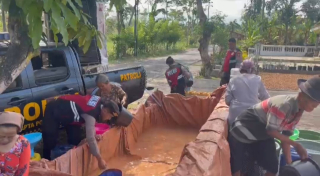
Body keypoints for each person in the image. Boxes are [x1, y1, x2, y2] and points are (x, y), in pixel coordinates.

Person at [229, 75, 320, 176]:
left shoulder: (298, 111)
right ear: (301, 96)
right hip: (243, 130)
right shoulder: (283, 105)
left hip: (261, 134)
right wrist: (297, 145)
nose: (313, 109)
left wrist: (290, 165)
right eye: (313, 105)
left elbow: (285, 138)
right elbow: (271, 131)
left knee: (272, 167)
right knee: (237, 167)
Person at [42, 94, 121, 170]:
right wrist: (99, 159)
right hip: (54, 110)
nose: (109, 119)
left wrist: (94, 134)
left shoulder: (100, 102)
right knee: (49, 142)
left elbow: (90, 124)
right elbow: (90, 139)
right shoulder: (91, 113)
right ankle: (45, 166)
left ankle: (72, 164)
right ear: (105, 110)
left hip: (72, 115)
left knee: (76, 140)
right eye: (110, 116)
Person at [226, 60, 269, 176]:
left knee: (236, 151)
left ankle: (236, 173)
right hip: (253, 118)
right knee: (252, 148)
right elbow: (266, 98)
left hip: (235, 118)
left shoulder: (233, 80)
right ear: (253, 69)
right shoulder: (258, 79)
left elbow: (227, 100)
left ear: (241, 69)